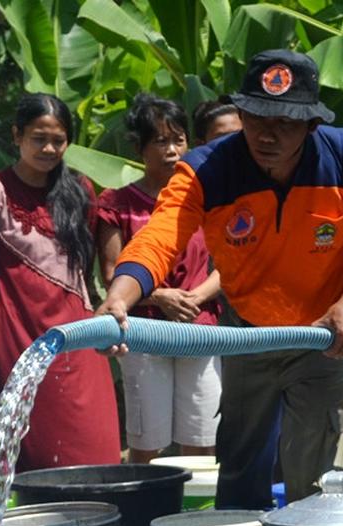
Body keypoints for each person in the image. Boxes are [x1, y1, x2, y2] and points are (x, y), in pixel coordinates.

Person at [100, 50, 343, 507]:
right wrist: (119, 297)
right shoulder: (206, 169)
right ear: (242, 113)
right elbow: (160, 239)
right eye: (257, 117)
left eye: (286, 122)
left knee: (317, 469)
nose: (268, 134)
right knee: (241, 461)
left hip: (323, 334)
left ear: (311, 124)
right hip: (247, 332)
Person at [0, 93, 121, 470]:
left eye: (58, 140)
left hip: (77, 328)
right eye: (38, 138)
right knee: (34, 438)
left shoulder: (80, 190)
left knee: (96, 438)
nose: (48, 148)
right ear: (17, 136)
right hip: (16, 327)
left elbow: (90, 266)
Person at [96, 93, 221, 464]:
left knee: (201, 435)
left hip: (201, 327)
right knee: (146, 438)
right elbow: (111, 272)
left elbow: (229, 265)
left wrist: (195, 297)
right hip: (143, 331)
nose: (171, 150)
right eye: (160, 141)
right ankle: (145, 512)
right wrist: (162, 297)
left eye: (178, 139)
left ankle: (197, 516)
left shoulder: (210, 198)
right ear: (139, 147)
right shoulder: (116, 203)